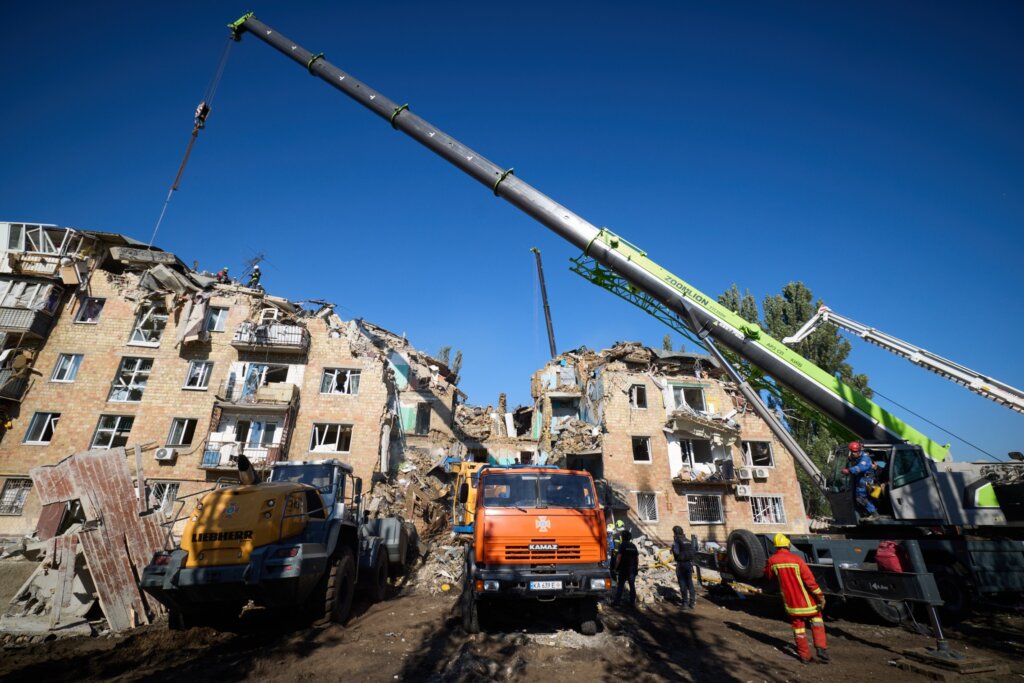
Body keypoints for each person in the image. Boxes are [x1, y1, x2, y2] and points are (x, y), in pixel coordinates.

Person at [764, 533, 829, 664]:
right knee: (817, 621)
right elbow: (810, 581)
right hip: (807, 601)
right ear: (787, 545)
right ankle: (821, 648)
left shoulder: (772, 560)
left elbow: (768, 576)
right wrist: (820, 596)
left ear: (776, 546)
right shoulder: (797, 560)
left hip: (791, 603)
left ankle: (805, 656)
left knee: (798, 628)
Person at [842, 442, 878, 520]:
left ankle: (874, 514)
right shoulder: (856, 456)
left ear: (859, 450)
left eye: (855, 451)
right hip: (859, 479)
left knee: (861, 497)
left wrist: (849, 470)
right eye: (852, 451)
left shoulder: (865, 458)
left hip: (865, 480)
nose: (853, 453)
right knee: (858, 497)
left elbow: (861, 467)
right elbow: (853, 459)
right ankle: (865, 513)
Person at [612, 529, 639, 607]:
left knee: (620, 585)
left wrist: (615, 568)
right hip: (632, 569)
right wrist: (636, 568)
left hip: (624, 569)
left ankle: (617, 602)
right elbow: (637, 558)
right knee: (632, 585)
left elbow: (619, 558)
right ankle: (632, 602)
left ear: (623, 537)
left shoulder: (622, 545)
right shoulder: (633, 546)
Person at [671, 525, 696, 609]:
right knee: (690, 583)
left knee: (682, 584)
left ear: (675, 533)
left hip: (681, 564)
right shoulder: (689, 541)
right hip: (689, 564)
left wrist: (673, 547)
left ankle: (685, 603)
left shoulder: (677, 541)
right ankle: (692, 603)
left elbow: (677, 552)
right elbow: (693, 552)